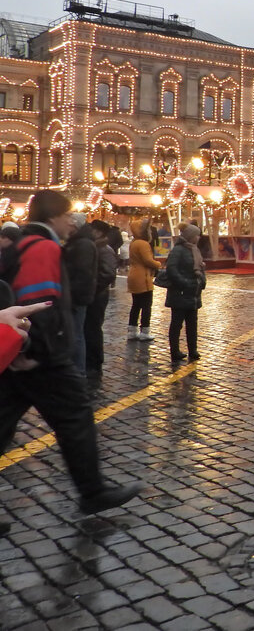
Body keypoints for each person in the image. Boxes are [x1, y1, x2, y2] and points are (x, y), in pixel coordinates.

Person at [0, 191, 144, 527]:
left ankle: (92, 490)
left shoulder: (21, 244)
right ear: (53, 217)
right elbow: (40, 303)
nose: (71, 222)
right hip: (41, 357)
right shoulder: (43, 248)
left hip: (21, 354)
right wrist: (32, 351)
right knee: (76, 417)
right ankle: (92, 491)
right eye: (67, 215)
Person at [164, 223, 206, 362]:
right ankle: (174, 351)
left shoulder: (195, 250)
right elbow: (172, 269)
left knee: (192, 324)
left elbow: (200, 268)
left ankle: (192, 350)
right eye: (196, 235)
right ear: (190, 236)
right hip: (180, 293)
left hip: (193, 293)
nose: (198, 238)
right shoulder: (178, 250)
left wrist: (202, 281)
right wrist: (184, 283)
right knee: (177, 323)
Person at [62, 214, 98, 372]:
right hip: (78, 295)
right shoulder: (80, 242)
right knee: (76, 333)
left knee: (76, 334)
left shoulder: (82, 244)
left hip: (77, 296)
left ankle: (78, 371)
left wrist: (71, 294)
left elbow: (82, 273)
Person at [83, 221, 117, 373]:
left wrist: (93, 288)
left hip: (98, 295)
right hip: (95, 293)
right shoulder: (96, 247)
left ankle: (95, 360)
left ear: (98, 232)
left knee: (93, 327)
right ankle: (91, 358)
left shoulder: (104, 249)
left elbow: (108, 273)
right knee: (90, 327)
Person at [126, 219, 158, 341]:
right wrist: (158, 264)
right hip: (142, 277)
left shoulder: (134, 242)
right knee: (146, 305)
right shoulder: (143, 244)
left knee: (136, 305)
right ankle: (145, 331)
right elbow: (148, 260)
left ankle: (132, 330)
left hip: (134, 275)